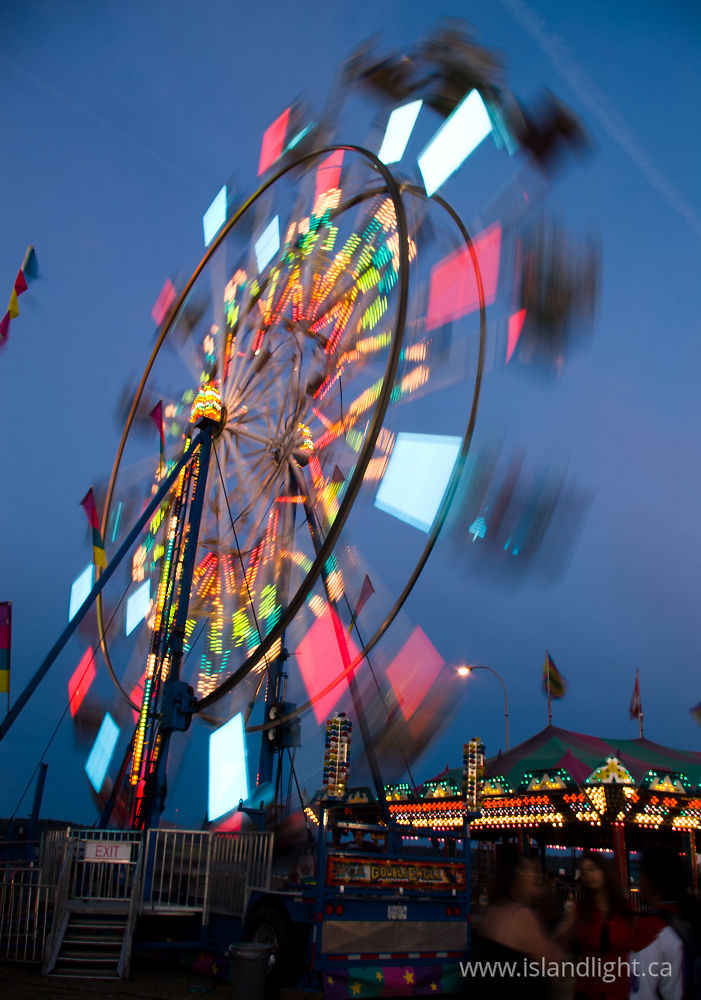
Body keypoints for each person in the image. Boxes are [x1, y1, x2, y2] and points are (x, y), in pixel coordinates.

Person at [466, 847, 565, 998]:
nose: (536, 878)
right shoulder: (521, 916)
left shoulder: (493, 910)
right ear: (516, 876)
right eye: (531, 871)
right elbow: (553, 965)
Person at [557, 851, 634, 1000]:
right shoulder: (580, 909)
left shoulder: (626, 908)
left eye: (592, 869)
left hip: (619, 988)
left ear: (604, 870)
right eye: (584, 873)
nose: (589, 875)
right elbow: (561, 933)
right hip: (588, 988)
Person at [630, 844, 701, 1000]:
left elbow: (641, 994)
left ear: (651, 879)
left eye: (641, 873)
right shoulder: (691, 916)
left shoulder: (650, 926)